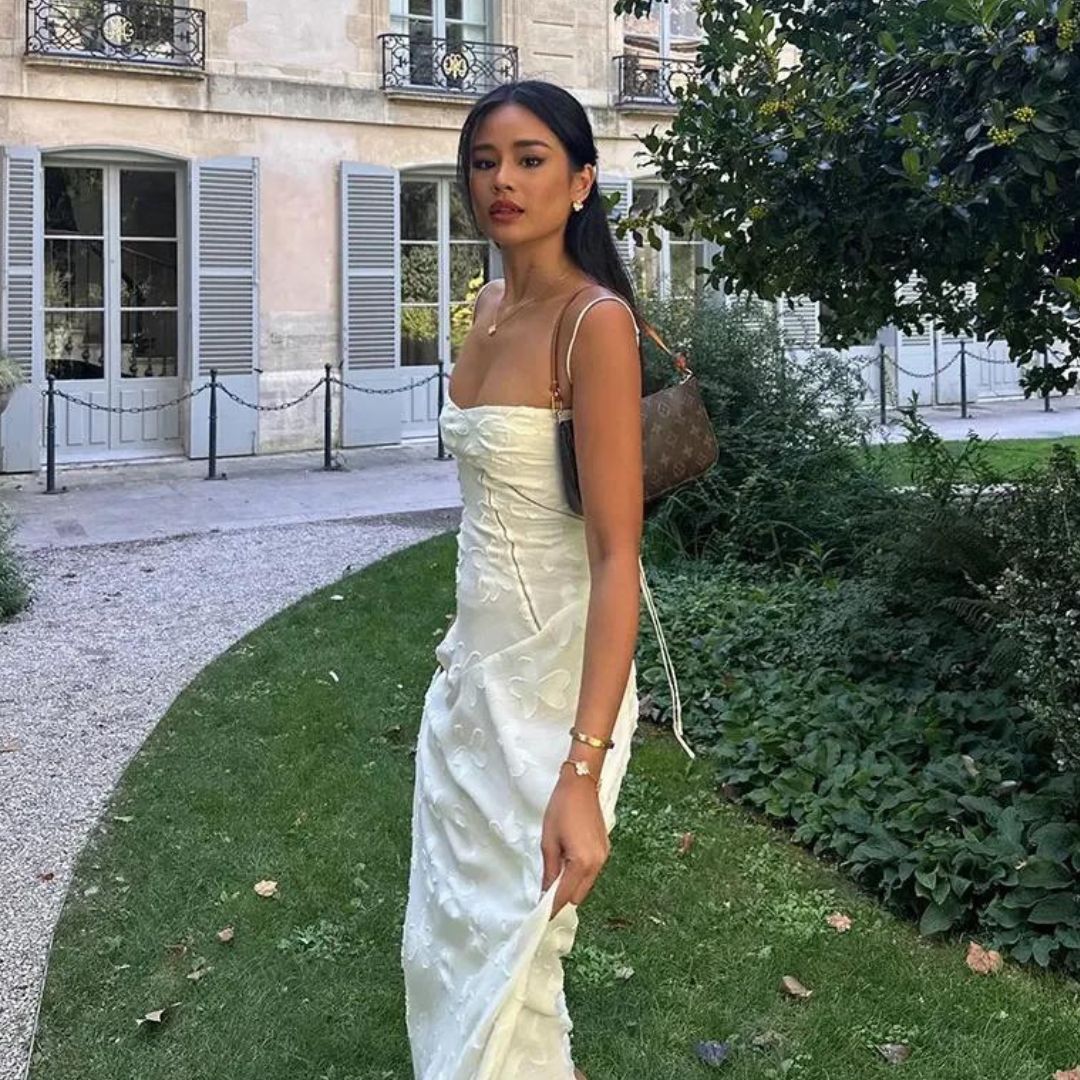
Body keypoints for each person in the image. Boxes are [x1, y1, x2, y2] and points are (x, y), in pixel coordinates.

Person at [400, 78, 672, 1080]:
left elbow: (614, 556)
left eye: (529, 159)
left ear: (582, 182)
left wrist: (582, 770)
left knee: (519, 950)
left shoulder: (592, 323)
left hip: (555, 691)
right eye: (484, 162)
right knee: (452, 948)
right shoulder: (485, 308)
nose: (501, 181)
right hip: (470, 682)